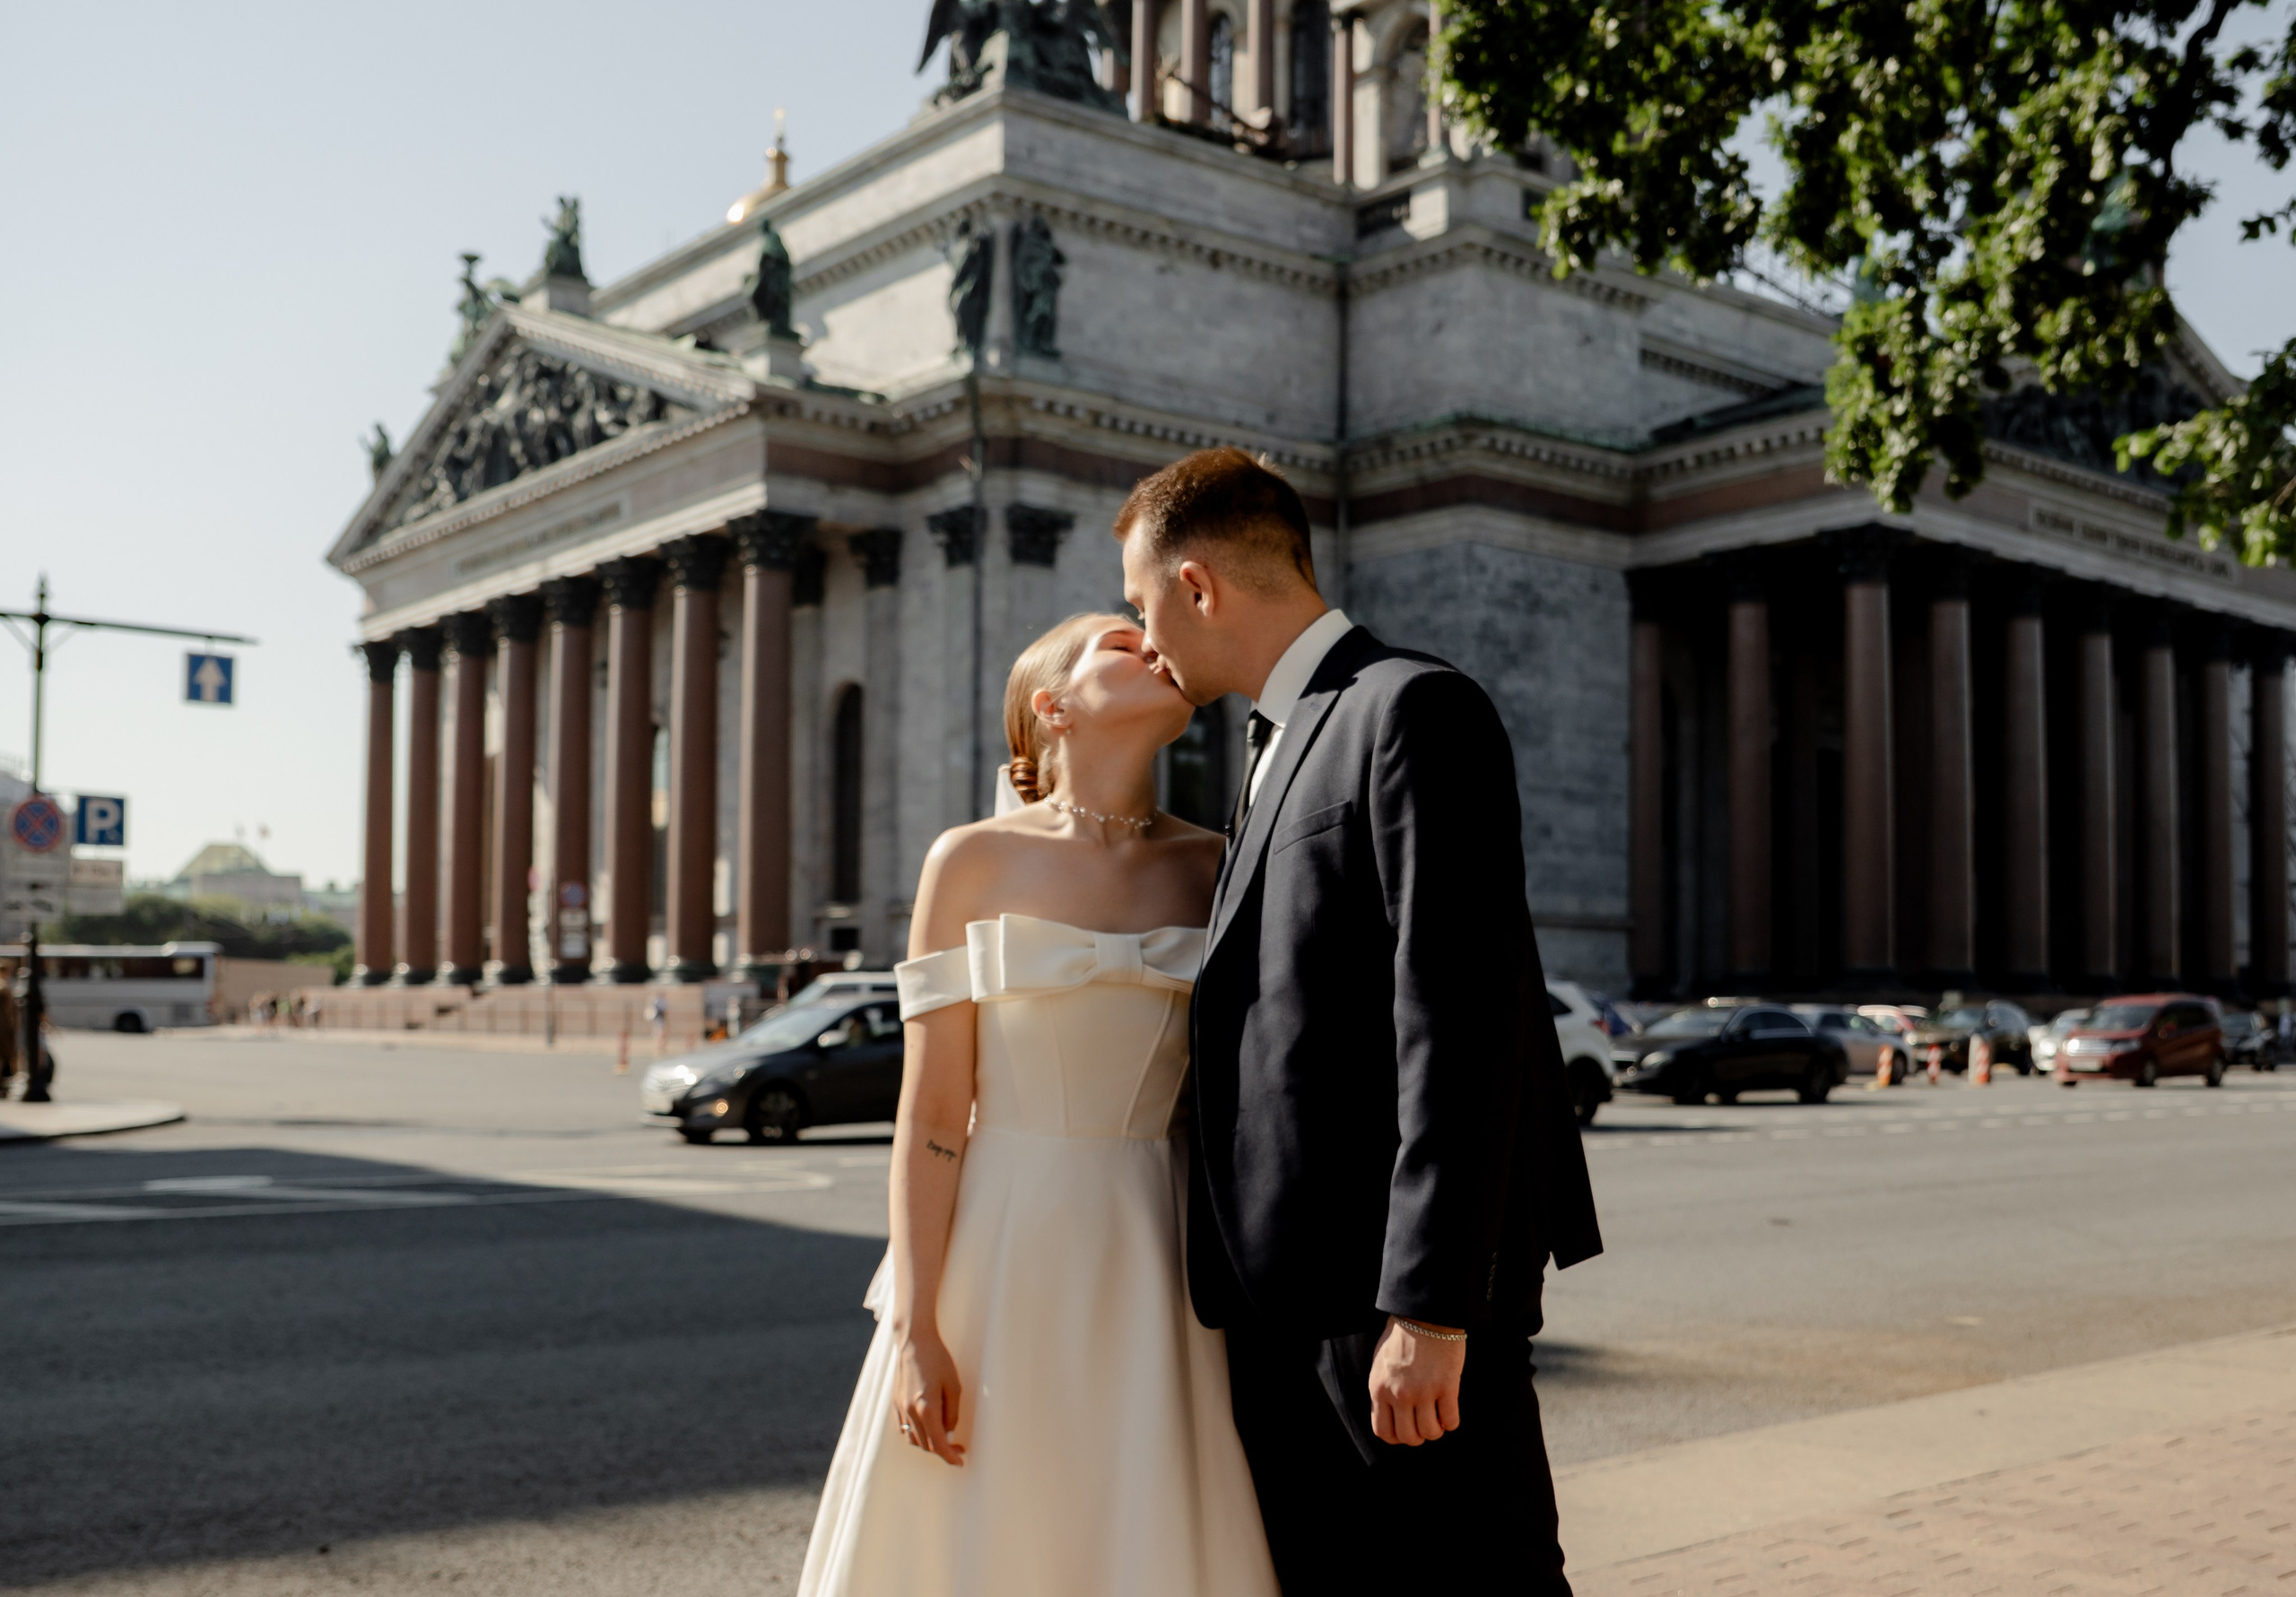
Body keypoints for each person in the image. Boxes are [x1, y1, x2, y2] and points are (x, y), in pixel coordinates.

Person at [1116, 447, 1604, 1592]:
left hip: (1390, 1304)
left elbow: (1459, 1018)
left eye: (1142, 605)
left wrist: (1431, 1307)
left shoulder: (1411, 707)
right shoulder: (1276, 738)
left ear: (1198, 586)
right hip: (1292, 1302)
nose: (1142, 637)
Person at [798, 612, 1277, 1596]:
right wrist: (917, 1326)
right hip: (1002, 1242)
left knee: (1140, 1510)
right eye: (1117, 639)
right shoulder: (966, 861)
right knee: (995, 1521)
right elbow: (933, 1115)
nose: (1151, 641)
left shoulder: (1216, 862)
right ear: (1051, 707)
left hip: (1161, 1244)